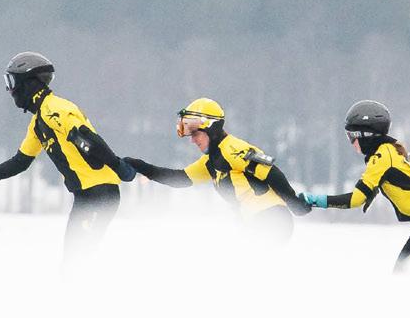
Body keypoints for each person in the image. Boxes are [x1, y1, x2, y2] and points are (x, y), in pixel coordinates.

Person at [0, 53, 136, 257]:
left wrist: (118, 166)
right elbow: (20, 162)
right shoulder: (38, 123)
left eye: (11, 82)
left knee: (77, 259)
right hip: (86, 195)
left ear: (28, 83)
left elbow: (87, 139)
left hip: (99, 193)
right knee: (75, 259)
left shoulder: (55, 110)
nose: (9, 90)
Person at [297, 100, 410, 264]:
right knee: (401, 276)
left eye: (351, 136)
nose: (351, 143)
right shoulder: (394, 149)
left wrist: (316, 200)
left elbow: (356, 199)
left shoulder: (382, 158)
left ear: (365, 136)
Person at [122, 98, 310, 234]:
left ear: (211, 129)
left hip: (271, 219)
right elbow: (179, 179)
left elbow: (272, 173)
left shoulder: (232, 148)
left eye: (195, 134)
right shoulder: (211, 161)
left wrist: (294, 203)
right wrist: (141, 166)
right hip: (254, 223)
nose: (192, 140)